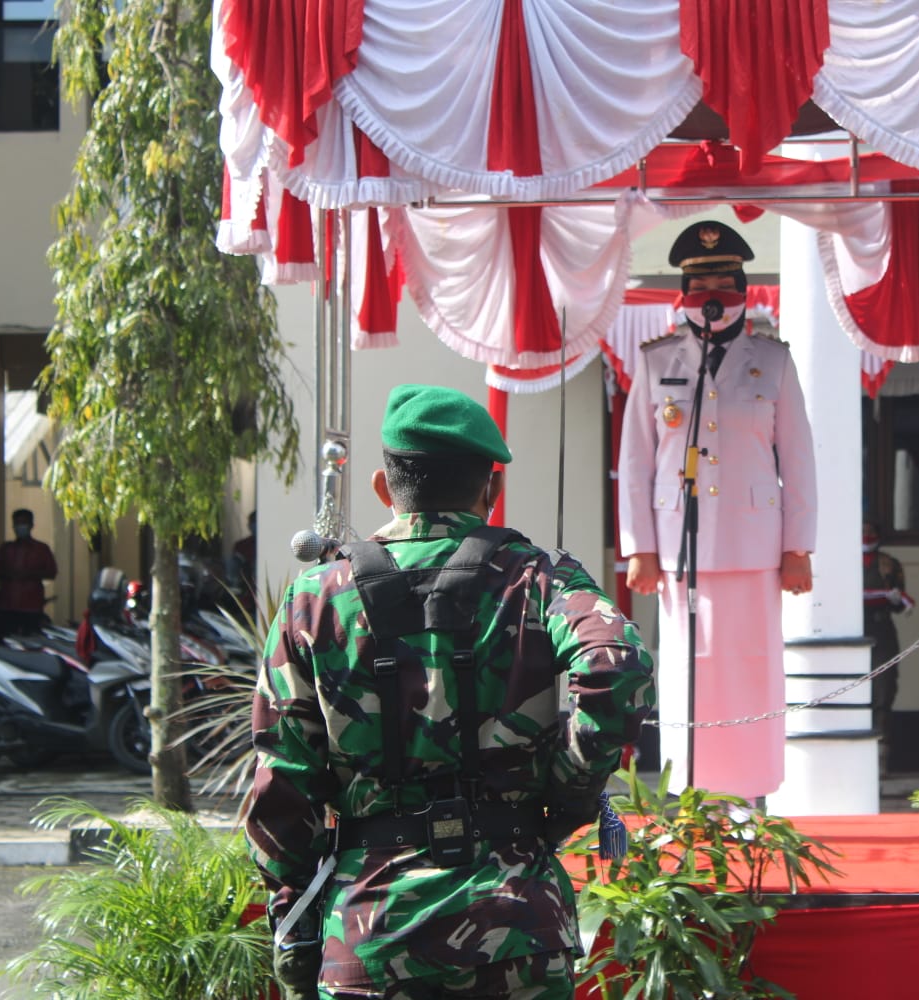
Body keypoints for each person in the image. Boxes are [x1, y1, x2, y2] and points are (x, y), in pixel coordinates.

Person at [245, 385, 655, 1000]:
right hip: (516, 925)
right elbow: (616, 669)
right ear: (491, 490)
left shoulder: (316, 597)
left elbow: (282, 780)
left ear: (385, 486)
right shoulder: (538, 577)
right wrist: (566, 793)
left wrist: (295, 926)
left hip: (370, 933)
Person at [617, 219, 817, 801]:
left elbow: (799, 459)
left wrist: (797, 547)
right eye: (700, 280)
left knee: (754, 669)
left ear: (743, 288)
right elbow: (636, 460)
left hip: (756, 544)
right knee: (686, 668)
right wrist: (641, 548)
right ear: (684, 291)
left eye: (723, 280)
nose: (712, 292)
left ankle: (752, 791)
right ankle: (691, 791)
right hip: (680, 545)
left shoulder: (773, 361)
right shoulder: (657, 362)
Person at [862, 518, 912, 763]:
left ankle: (882, 752)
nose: (867, 535)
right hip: (854, 629)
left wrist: (893, 599)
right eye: (862, 530)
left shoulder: (888, 564)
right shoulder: (843, 560)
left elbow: (900, 605)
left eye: (871, 530)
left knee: (884, 688)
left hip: (881, 629)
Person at [0, 508, 57, 633]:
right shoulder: (6, 549)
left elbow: (52, 572)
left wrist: (30, 575)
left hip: (31, 605)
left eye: (23, 523)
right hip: (7, 605)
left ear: (31, 525)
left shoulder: (41, 549)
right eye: (17, 523)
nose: (20, 527)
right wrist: (8, 574)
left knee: (32, 638)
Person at [226, 510, 258, 612]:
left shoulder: (268, 544)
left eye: (255, 522)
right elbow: (234, 566)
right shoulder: (242, 545)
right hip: (245, 592)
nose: (253, 525)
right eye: (251, 522)